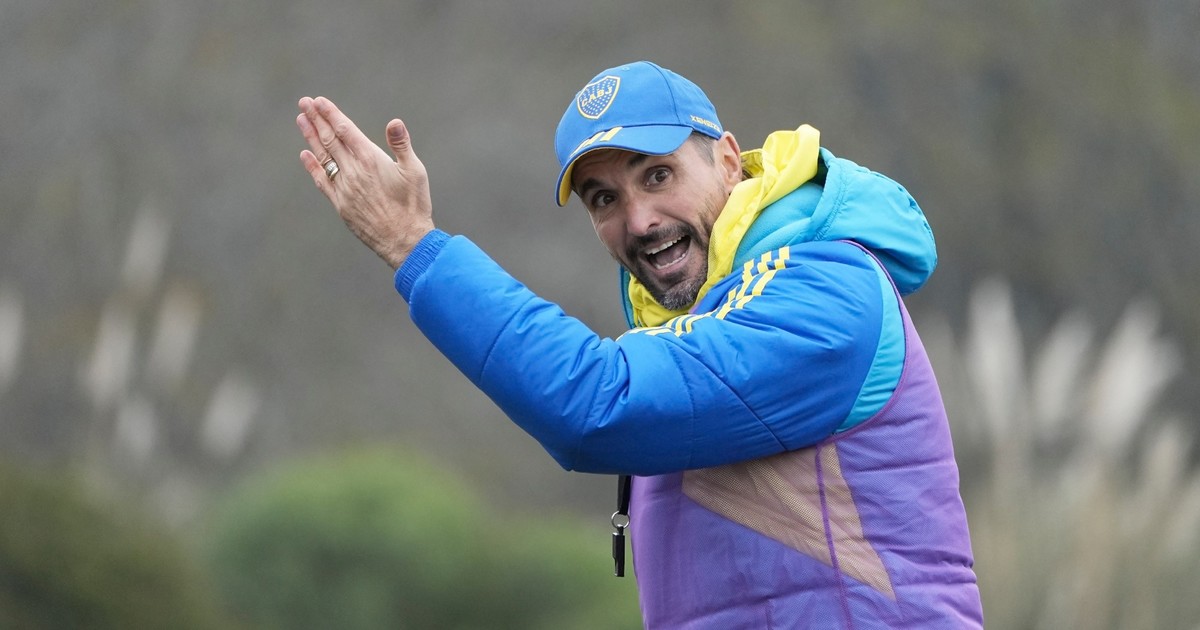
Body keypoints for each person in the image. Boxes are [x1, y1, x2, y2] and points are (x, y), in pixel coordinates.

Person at [296, 60, 984, 629]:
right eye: (604, 199)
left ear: (727, 161)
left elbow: (600, 406)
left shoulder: (825, 289)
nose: (641, 220)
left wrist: (414, 246)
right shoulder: (688, 328)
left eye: (657, 175)